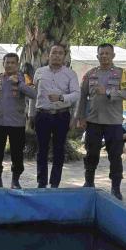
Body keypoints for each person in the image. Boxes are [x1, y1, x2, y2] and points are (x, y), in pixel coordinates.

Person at [76, 43, 126, 200]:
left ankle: (115, 188)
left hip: (113, 122)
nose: (104, 56)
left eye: (107, 53)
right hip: (93, 121)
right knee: (91, 153)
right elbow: (82, 97)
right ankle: (89, 182)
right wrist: (80, 117)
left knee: (115, 156)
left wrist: (107, 92)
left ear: (113, 56)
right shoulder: (90, 74)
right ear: (97, 56)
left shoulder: (122, 73)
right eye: (102, 53)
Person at [28, 44, 80, 188]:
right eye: (54, 53)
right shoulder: (39, 72)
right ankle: (41, 182)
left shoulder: (70, 74)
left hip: (61, 116)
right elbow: (34, 95)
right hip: (42, 115)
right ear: (48, 55)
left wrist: (61, 98)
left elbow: (76, 94)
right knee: (42, 151)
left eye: (60, 53)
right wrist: (31, 114)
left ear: (64, 56)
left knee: (59, 151)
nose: (57, 55)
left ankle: (55, 183)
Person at [0, 53, 36, 189]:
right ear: (3, 63)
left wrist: (20, 84)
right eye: (7, 62)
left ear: (17, 64)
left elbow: (34, 94)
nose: (9, 65)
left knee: (17, 153)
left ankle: (15, 180)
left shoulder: (24, 78)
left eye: (12, 63)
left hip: (17, 123)